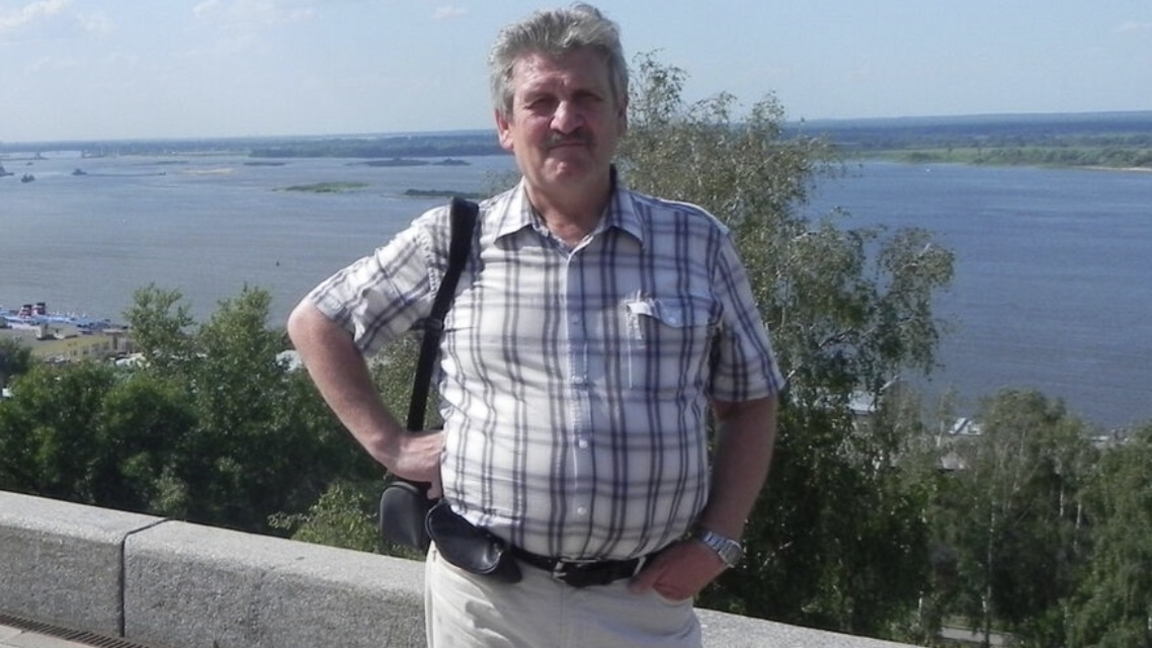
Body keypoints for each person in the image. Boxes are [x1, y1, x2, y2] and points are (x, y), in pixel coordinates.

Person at [287, 4, 782, 647]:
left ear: (621, 113)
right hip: (486, 604)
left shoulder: (696, 242)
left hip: (642, 604)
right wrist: (392, 445)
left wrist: (718, 541)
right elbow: (317, 322)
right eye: (540, 101)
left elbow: (750, 400)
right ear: (505, 125)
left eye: (586, 98)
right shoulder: (453, 241)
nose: (565, 120)